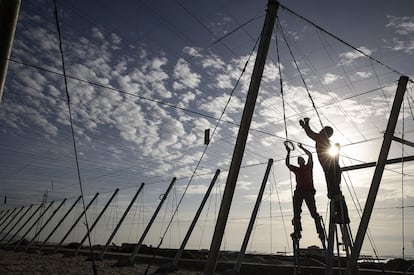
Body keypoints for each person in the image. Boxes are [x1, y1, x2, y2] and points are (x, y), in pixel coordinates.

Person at [299, 117, 349, 224]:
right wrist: (304, 126)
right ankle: (341, 215)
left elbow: (310, 134)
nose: (321, 131)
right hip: (333, 168)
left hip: (330, 169)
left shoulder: (321, 138)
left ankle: (341, 215)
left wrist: (306, 123)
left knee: (333, 192)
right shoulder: (325, 140)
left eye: (323, 130)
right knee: (335, 191)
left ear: (325, 132)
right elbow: (310, 133)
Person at [285, 142, 325, 240]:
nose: (300, 160)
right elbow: (287, 164)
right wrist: (288, 153)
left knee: (313, 213)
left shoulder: (309, 167)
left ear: (303, 160)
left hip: (308, 192)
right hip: (300, 192)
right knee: (297, 213)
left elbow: (310, 155)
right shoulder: (297, 170)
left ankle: (320, 232)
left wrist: (302, 147)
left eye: (301, 159)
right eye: (299, 160)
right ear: (299, 163)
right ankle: (297, 232)